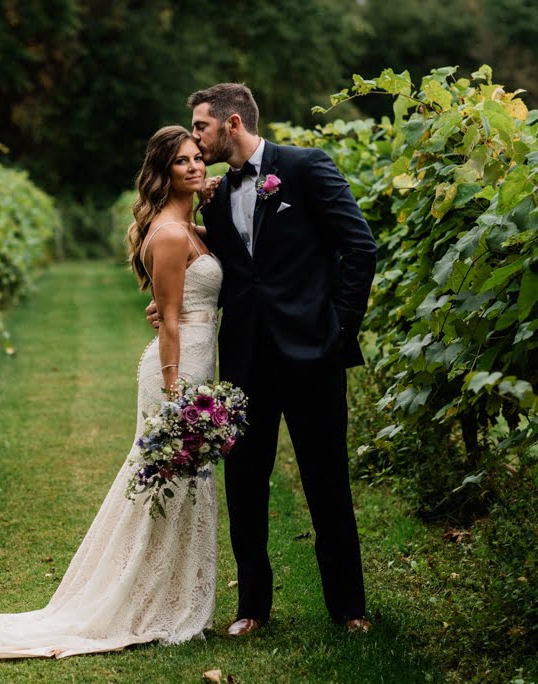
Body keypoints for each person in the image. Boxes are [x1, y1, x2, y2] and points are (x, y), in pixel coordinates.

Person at [0, 125, 223, 658]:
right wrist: (176, 396)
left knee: (180, 486)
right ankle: (148, 600)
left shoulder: (191, 225)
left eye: (199, 157)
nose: (195, 166)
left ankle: (169, 594)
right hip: (176, 372)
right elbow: (170, 323)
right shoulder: (173, 235)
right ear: (163, 172)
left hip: (198, 362)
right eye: (182, 162)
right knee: (165, 485)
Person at [154, 83, 377, 636]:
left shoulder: (305, 168)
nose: (196, 139)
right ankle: (252, 607)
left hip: (313, 353)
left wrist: (338, 324)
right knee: (246, 484)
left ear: (231, 124)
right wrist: (174, 306)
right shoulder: (219, 192)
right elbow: (227, 265)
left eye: (201, 127)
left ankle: (349, 608)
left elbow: (360, 246)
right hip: (247, 358)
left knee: (327, 482)